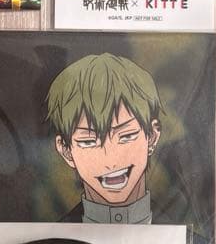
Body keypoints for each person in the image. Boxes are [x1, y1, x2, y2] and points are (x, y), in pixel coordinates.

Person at [45, 53, 162, 224]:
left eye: (126, 136)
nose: (111, 160)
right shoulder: (52, 240)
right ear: (66, 150)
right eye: (88, 142)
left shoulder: (189, 237)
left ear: (151, 136)